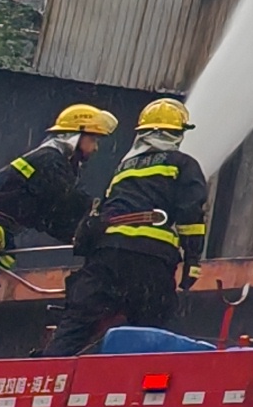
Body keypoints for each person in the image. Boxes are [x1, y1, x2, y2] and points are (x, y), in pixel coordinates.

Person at [0, 105, 114, 358]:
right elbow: (71, 203)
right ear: (75, 136)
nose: (95, 148)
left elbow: (51, 220)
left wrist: (82, 237)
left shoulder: (45, 166)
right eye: (92, 140)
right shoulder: (49, 160)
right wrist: (107, 216)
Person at [46, 98, 209, 358]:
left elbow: (103, 211)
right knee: (158, 331)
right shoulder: (182, 164)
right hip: (149, 260)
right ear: (177, 134)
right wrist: (193, 261)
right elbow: (191, 214)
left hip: (107, 257)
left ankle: (48, 375)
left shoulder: (122, 168)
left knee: (76, 325)